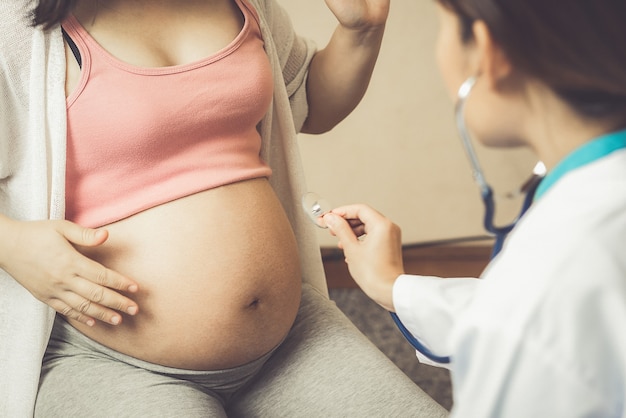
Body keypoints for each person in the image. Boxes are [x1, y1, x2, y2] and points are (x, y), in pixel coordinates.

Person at [0, 1, 449, 417]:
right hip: (111, 359)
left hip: (290, 339)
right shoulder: (17, 24)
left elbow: (308, 104)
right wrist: (13, 244)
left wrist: (362, 30)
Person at [322, 0, 626, 417]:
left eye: (442, 28)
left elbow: (528, 322)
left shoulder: (549, 281)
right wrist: (394, 286)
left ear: (488, 52)